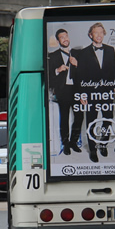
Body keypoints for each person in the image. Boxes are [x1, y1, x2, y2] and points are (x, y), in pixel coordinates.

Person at [73, 22, 115, 163]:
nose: (99, 35)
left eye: (101, 32)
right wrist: (82, 94)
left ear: (104, 34)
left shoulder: (111, 50)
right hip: (90, 93)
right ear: (90, 35)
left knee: (108, 119)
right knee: (91, 122)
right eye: (95, 33)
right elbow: (80, 76)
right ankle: (92, 150)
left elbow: (113, 70)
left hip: (107, 93)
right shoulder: (84, 53)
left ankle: (103, 144)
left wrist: (114, 87)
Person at [47, 28, 82, 156]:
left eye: (66, 36)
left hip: (77, 89)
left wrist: (77, 64)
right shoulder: (53, 56)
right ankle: (66, 144)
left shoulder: (79, 53)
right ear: (58, 41)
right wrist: (58, 70)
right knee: (65, 118)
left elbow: (87, 72)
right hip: (63, 90)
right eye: (62, 37)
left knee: (79, 116)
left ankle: (74, 142)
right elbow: (49, 77)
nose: (65, 39)